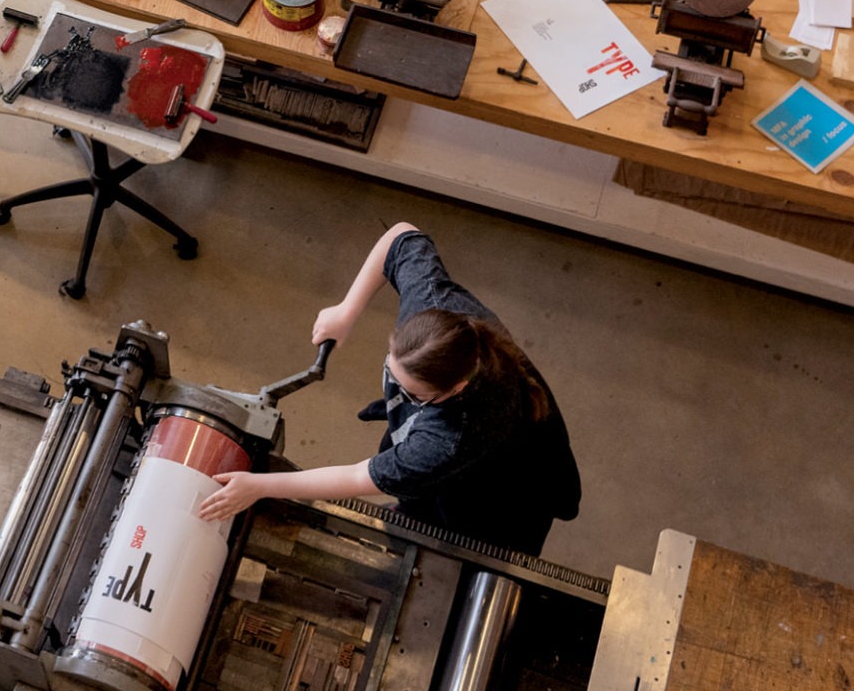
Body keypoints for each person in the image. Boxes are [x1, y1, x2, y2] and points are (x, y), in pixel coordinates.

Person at [195, 222, 581, 554]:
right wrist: (346, 311)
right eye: (392, 369)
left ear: (454, 389)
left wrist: (259, 486)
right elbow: (401, 235)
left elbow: (357, 478)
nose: (396, 386)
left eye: (411, 393)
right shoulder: (434, 310)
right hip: (466, 436)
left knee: (466, 538)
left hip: (502, 487)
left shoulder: (450, 438)